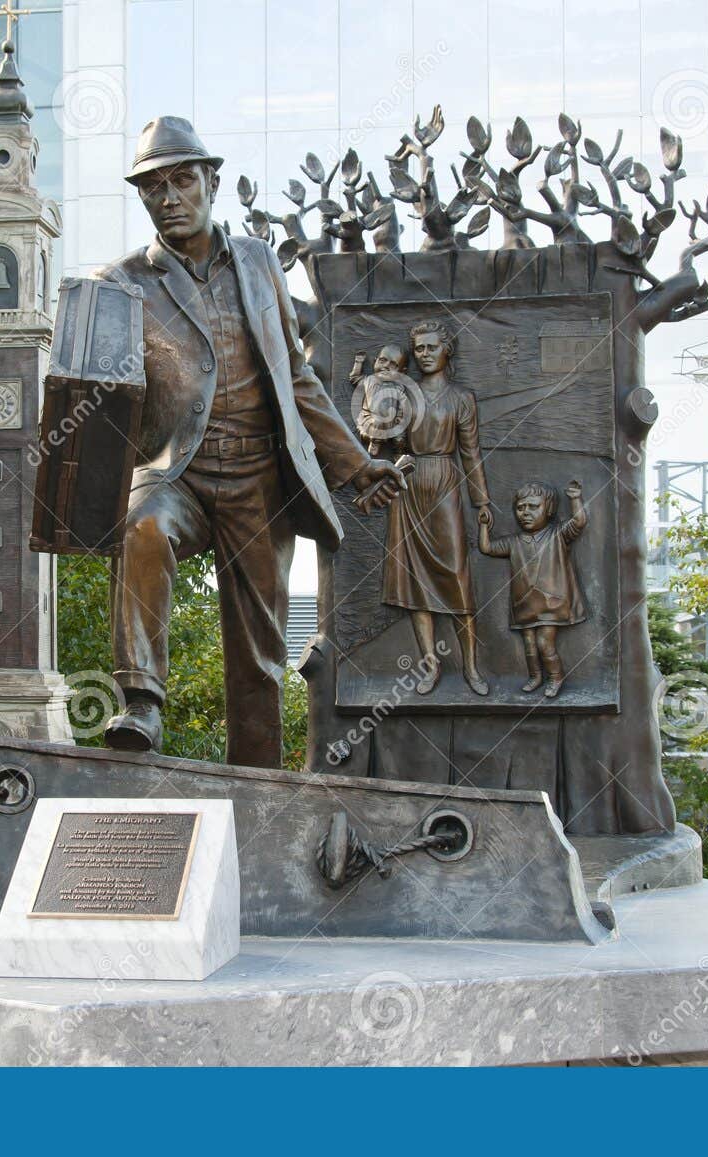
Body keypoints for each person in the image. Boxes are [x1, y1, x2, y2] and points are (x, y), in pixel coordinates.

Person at [98, 117, 404, 767]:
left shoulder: (260, 262)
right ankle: (142, 701)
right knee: (142, 528)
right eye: (153, 187)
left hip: (258, 479)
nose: (170, 197)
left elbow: (295, 374)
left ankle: (256, 789)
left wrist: (351, 462)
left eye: (183, 180)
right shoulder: (121, 283)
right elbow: (94, 391)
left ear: (212, 181)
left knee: (259, 657)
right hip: (173, 469)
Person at [376, 320, 492, 696]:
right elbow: (389, 443)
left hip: (444, 481)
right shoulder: (404, 395)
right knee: (414, 583)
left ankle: (472, 667)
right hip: (409, 484)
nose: (425, 354)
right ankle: (430, 664)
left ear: (447, 350)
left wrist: (482, 500)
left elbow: (471, 453)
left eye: (432, 347)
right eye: (420, 349)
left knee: (457, 577)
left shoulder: (462, 398)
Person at [479, 479, 588, 698]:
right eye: (520, 508)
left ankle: (555, 677)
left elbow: (578, 522)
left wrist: (575, 499)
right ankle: (535, 676)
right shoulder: (514, 541)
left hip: (552, 603)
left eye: (533, 506)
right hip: (524, 605)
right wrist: (483, 526)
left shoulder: (557, 534)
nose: (525, 513)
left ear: (548, 509)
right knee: (529, 645)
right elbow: (487, 548)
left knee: (544, 643)